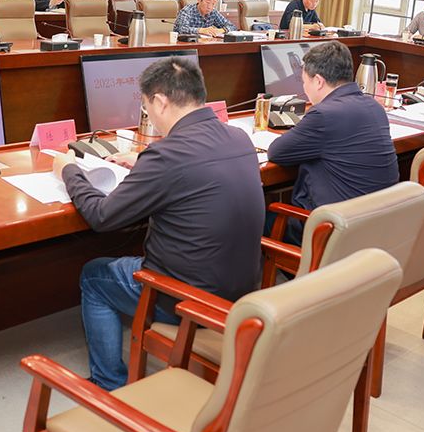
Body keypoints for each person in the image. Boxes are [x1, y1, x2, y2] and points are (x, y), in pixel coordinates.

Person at [50, 57, 264, 390]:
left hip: (185, 298)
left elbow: (101, 216)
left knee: (93, 275)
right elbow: (193, 167)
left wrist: (69, 171)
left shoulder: (167, 156)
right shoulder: (238, 138)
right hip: (240, 289)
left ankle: (108, 383)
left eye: (147, 108)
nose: (149, 115)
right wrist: (143, 161)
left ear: (161, 101)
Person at [266, 40, 398, 244]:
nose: (304, 89)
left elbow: (276, 152)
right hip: (373, 230)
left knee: (255, 217)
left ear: (318, 81)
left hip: (331, 234)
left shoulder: (324, 114)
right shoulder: (374, 107)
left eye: (304, 82)